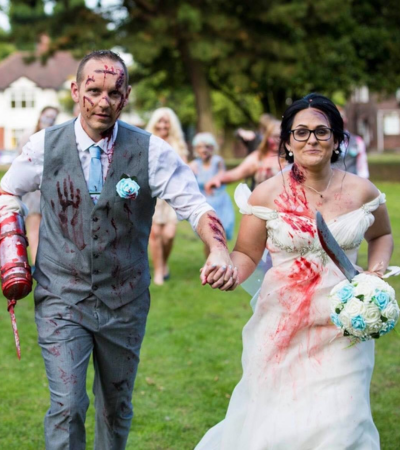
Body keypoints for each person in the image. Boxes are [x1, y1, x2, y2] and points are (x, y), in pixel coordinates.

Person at [0, 50, 238, 450]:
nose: (103, 101)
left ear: (126, 95)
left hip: (124, 302)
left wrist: (218, 248)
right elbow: (8, 190)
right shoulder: (43, 146)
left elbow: (194, 205)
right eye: (94, 90)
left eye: (114, 92)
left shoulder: (152, 151)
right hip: (61, 296)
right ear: (76, 91)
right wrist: (11, 239)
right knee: (67, 404)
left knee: (116, 406)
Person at [196, 93, 393, 449]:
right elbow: (245, 254)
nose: (312, 139)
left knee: (343, 423)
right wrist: (228, 270)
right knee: (277, 423)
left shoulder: (362, 191)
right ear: (286, 141)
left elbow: (382, 234)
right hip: (282, 325)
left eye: (321, 131)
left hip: (345, 324)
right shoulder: (267, 195)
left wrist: (375, 274)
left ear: (336, 140)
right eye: (300, 132)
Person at [145, 107, 189, 285]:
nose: (163, 125)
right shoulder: (148, 142)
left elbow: (183, 170)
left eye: (166, 122)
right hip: (152, 194)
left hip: (172, 195)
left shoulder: (178, 145)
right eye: (160, 122)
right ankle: (158, 271)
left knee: (169, 235)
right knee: (155, 233)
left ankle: (164, 263)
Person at [16, 106, 59, 268]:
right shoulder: (30, 136)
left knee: (47, 230)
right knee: (33, 228)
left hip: (49, 190)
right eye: (47, 117)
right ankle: (36, 265)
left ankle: (46, 264)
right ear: (41, 116)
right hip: (32, 190)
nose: (49, 121)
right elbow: (21, 163)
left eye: (53, 118)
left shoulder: (55, 137)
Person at [205, 120, 286, 194]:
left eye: (281, 136)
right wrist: (218, 179)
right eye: (275, 136)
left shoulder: (292, 157)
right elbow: (236, 173)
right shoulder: (259, 157)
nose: (278, 140)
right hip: (262, 207)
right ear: (267, 137)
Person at [189, 132, 235, 255]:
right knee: (208, 238)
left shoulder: (217, 161)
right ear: (196, 149)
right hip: (204, 204)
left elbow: (222, 175)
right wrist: (189, 168)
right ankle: (211, 262)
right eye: (200, 147)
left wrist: (214, 181)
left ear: (213, 148)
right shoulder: (195, 164)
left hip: (220, 203)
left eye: (207, 147)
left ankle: (225, 261)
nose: (204, 150)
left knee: (221, 235)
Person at [333, 105, 369, 178]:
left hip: (353, 184)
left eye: (342, 116)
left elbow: (362, 167)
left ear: (346, 119)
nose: (340, 120)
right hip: (332, 184)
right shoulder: (326, 142)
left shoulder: (357, 141)